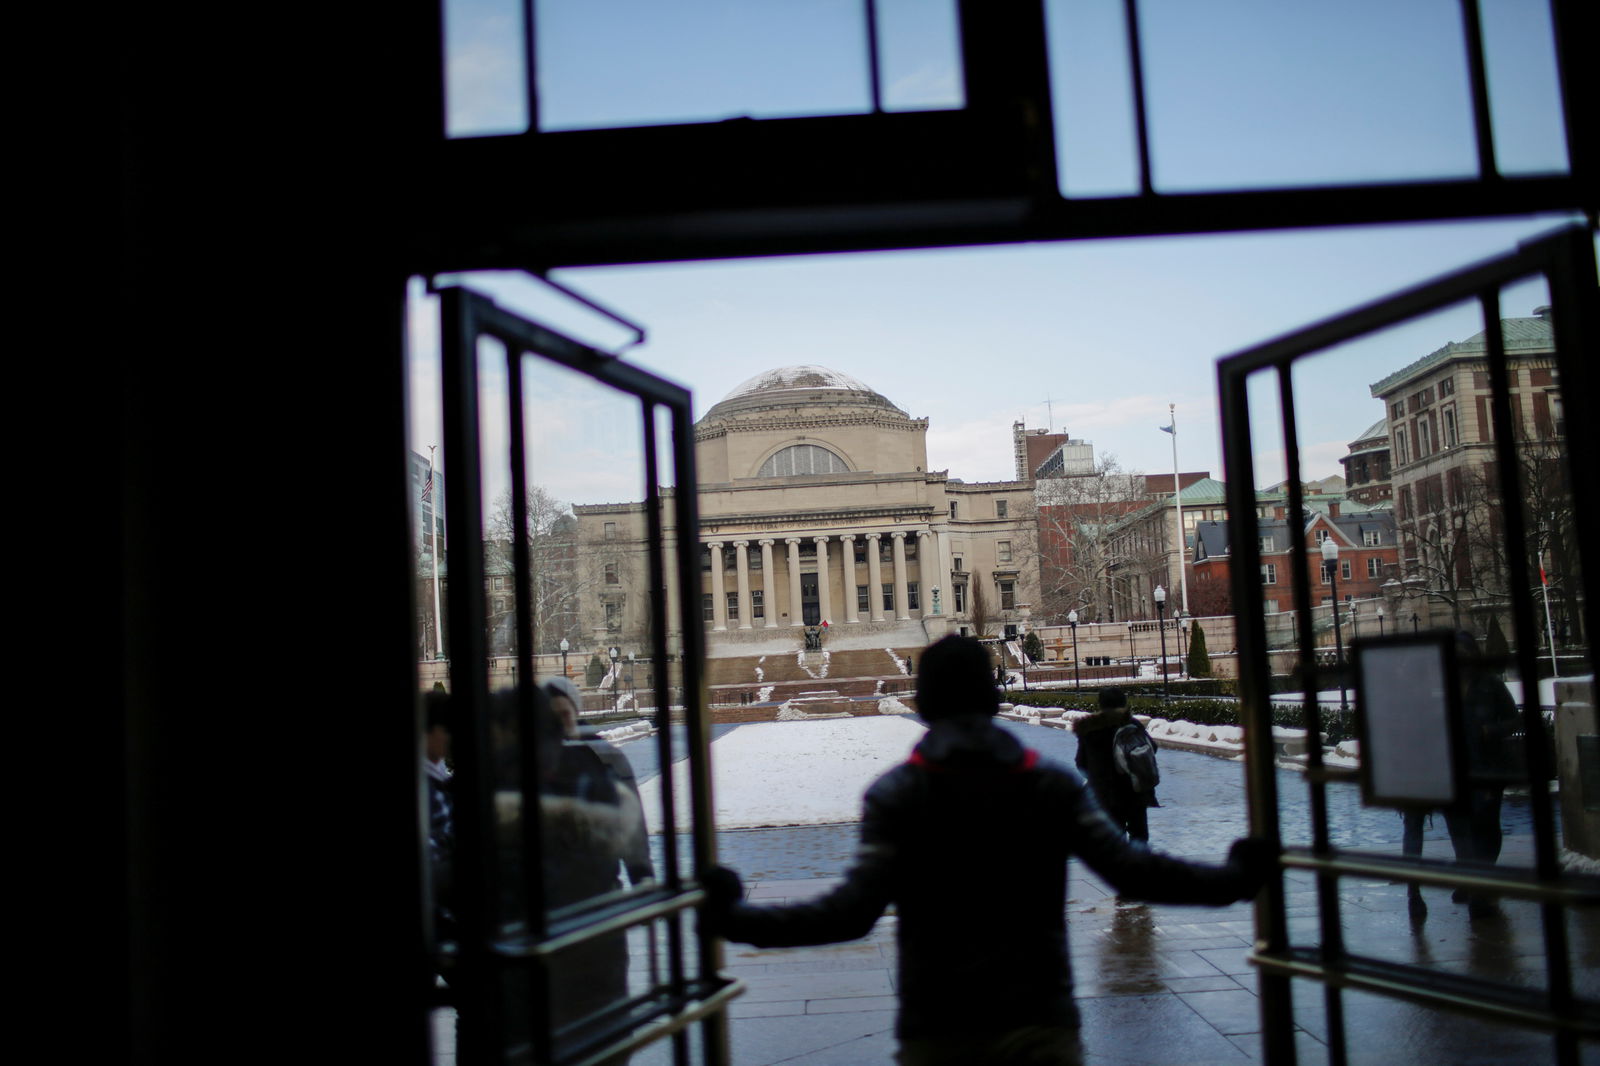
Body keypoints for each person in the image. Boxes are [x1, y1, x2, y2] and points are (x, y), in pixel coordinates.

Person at [701, 635, 1273, 1066]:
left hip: (937, 1027)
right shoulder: (1046, 786)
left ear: (923, 704)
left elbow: (850, 913)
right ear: (993, 697)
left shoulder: (897, 795)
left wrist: (737, 917)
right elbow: (1134, 870)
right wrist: (1233, 879)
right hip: (1038, 1019)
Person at [544, 676, 653, 887]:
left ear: (575, 712)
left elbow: (632, 826)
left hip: (597, 882)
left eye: (563, 714)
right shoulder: (534, 758)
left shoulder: (605, 756)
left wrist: (641, 875)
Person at [1443, 630, 1521, 919]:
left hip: (1488, 766)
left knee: (1486, 825)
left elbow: (1514, 718)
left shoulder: (1490, 684)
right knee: (1458, 826)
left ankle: (1482, 883)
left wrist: (1491, 731)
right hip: (1452, 767)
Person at [1073, 687, 1159, 843]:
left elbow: (1081, 763)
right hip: (1135, 791)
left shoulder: (1089, 729)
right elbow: (1152, 748)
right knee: (1139, 836)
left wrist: (1096, 777)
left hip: (1105, 795)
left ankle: (1122, 865)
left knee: (1114, 840)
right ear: (1124, 702)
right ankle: (1138, 865)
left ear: (1101, 704)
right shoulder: (1131, 725)